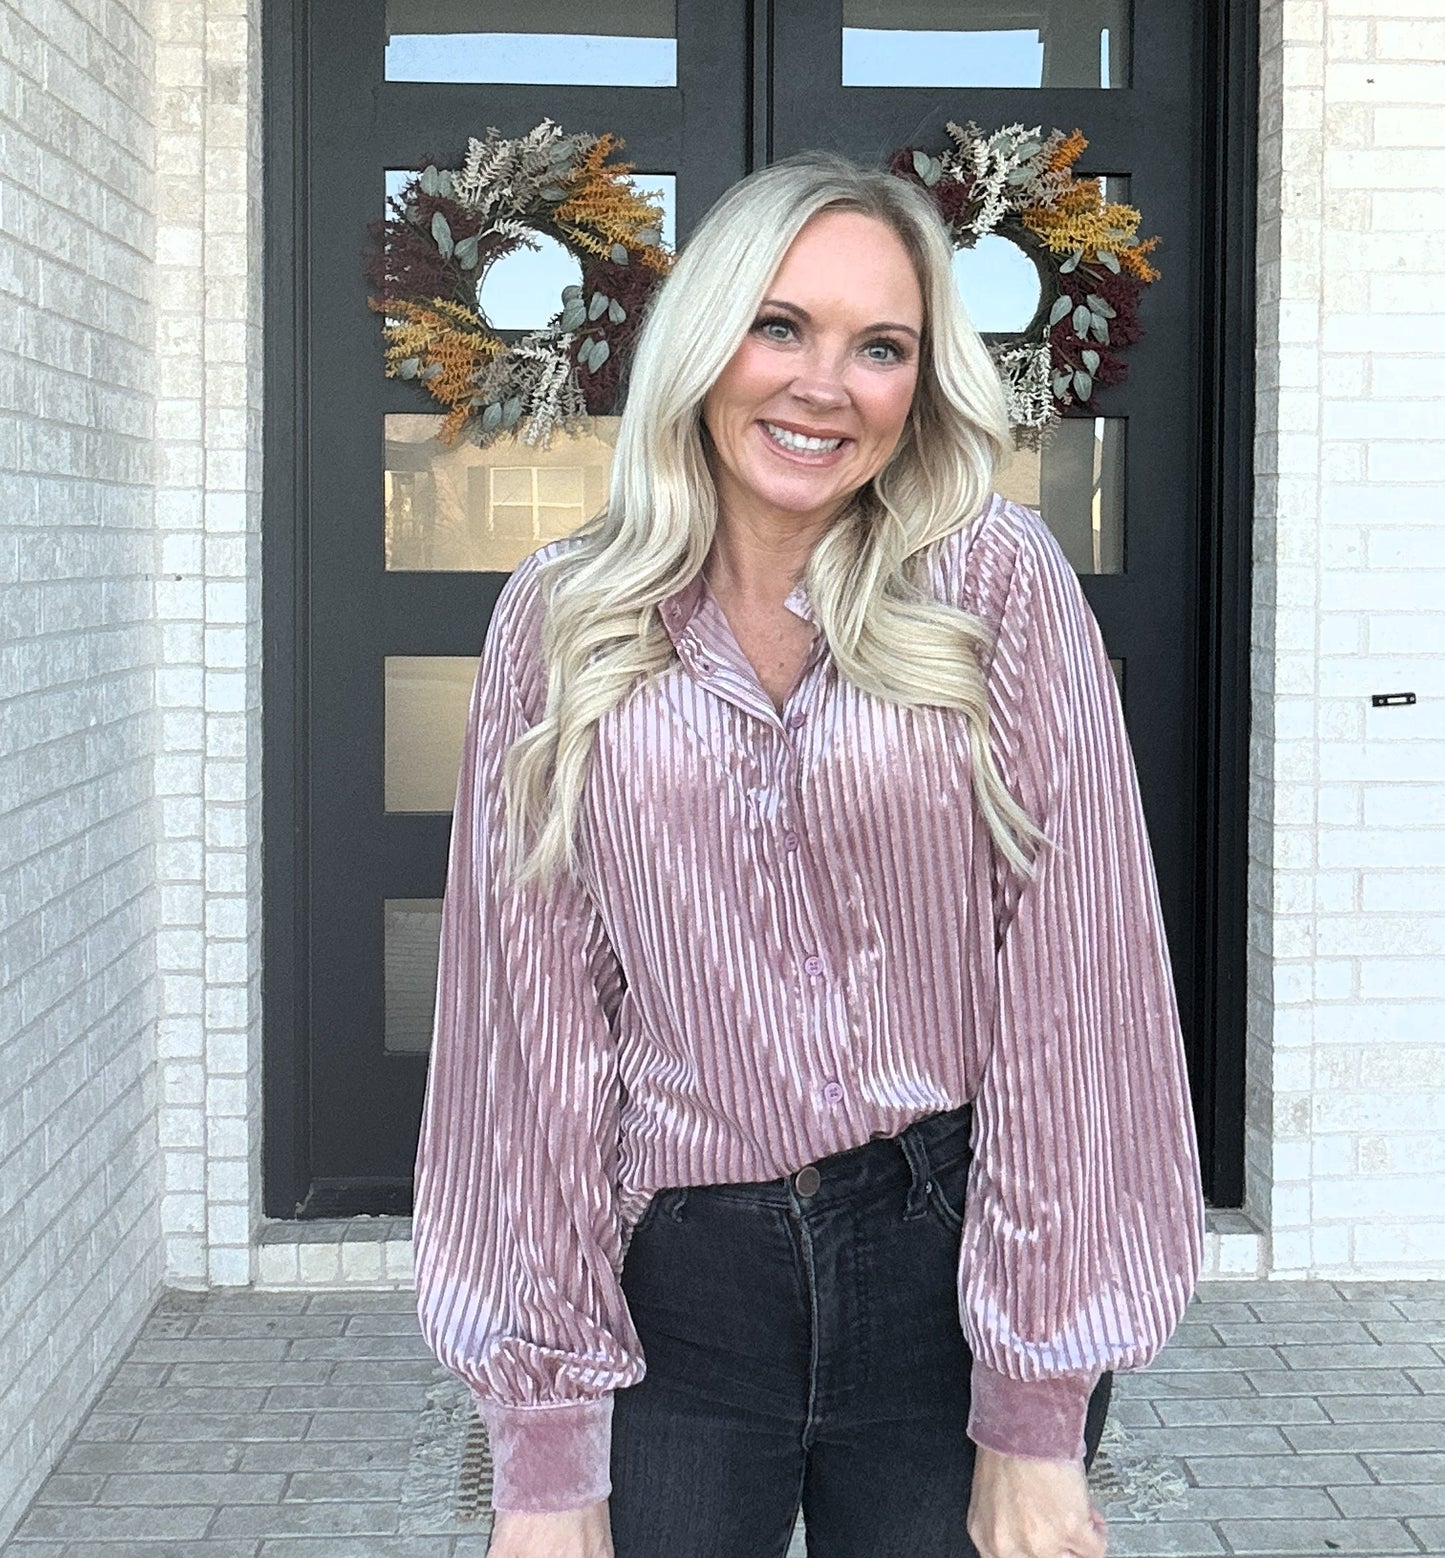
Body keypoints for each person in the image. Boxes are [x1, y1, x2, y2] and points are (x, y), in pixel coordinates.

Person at [413, 151, 1205, 1558]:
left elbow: (1073, 977)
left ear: (920, 383)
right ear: (703, 343)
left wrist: (1031, 1399)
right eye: (779, 325)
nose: (820, 383)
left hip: (950, 1263)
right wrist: (539, 1448)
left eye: (878, 346)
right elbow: (524, 1031)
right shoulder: (564, 617)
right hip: (675, 1295)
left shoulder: (994, 584)